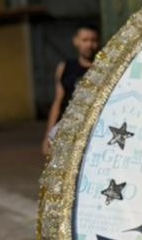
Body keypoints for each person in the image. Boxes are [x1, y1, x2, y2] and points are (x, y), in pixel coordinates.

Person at [42, 23, 100, 155]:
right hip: (68, 129)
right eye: (85, 40)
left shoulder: (103, 69)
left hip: (94, 131)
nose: (89, 45)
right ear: (76, 41)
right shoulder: (65, 67)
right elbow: (58, 101)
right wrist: (48, 135)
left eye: (93, 40)